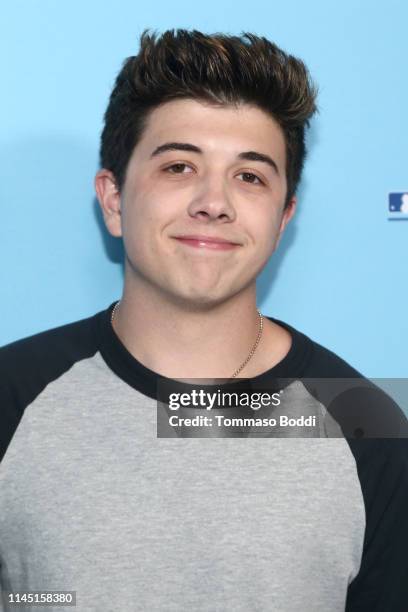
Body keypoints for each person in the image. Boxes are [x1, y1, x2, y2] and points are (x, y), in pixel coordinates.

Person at [0, 28, 407, 612]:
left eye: (250, 176)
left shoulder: (363, 422)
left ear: (283, 216)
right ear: (113, 200)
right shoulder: (12, 394)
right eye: (178, 167)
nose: (213, 202)